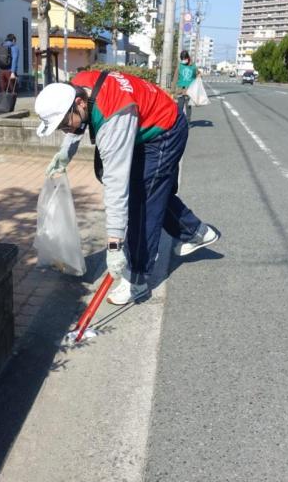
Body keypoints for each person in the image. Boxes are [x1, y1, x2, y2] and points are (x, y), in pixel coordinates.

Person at [35, 70, 219, 305]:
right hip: (147, 123)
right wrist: (64, 154)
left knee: (142, 204)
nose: (65, 130)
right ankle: (195, 232)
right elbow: (76, 123)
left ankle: (137, 280)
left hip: (165, 131)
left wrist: (114, 245)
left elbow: (116, 184)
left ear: (79, 102)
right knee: (152, 192)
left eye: (63, 124)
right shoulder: (78, 87)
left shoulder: (114, 117)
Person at [174, 50, 198, 122]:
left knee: (188, 107)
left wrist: (199, 75)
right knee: (180, 107)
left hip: (189, 91)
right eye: (182, 59)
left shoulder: (193, 66)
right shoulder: (179, 66)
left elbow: (197, 75)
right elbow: (175, 78)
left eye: (185, 59)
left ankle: (188, 122)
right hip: (180, 90)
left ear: (188, 58)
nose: (183, 60)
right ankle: (179, 122)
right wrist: (172, 91)